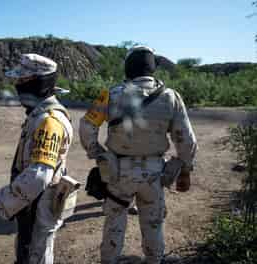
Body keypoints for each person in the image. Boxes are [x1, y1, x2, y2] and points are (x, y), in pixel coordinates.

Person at [79, 45, 197, 264]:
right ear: (152, 68)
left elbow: (87, 126)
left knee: (114, 225)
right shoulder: (171, 97)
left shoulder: (110, 95)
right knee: (153, 226)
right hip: (155, 175)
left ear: (128, 68)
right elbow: (186, 140)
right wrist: (185, 171)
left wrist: (99, 154)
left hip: (117, 173)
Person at [0, 53, 74, 264]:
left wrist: (4, 200)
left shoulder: (49, 121)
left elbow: (39, 176)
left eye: (23, 81)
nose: (18, 86)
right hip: (34, 201)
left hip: (40, 201)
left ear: (39, 82)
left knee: (36, 255)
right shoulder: (38, 114)